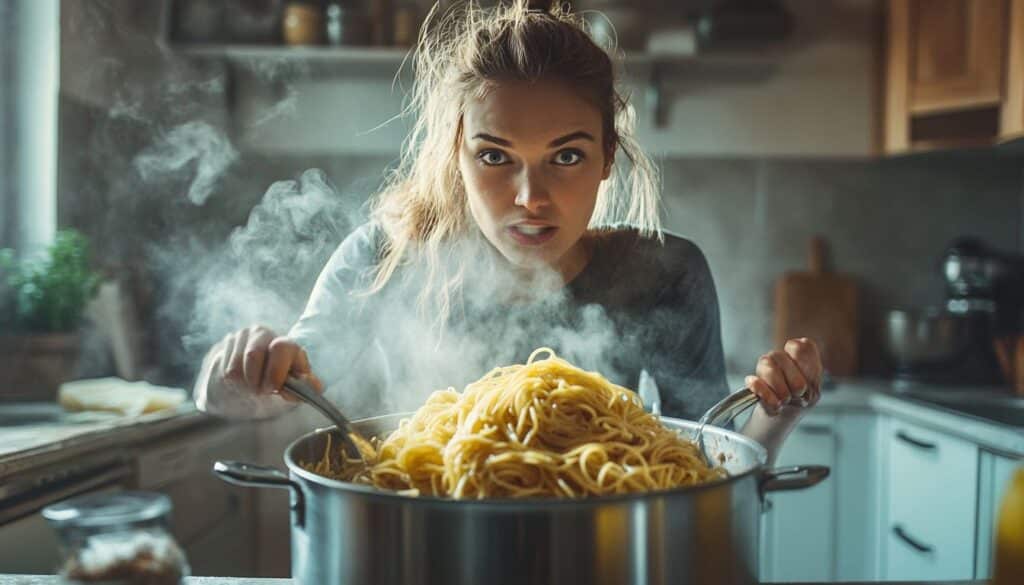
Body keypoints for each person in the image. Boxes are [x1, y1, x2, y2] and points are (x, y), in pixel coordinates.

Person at [194, 0, 823, 465]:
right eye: (495, 157)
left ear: (608, 157)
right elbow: (242, 394)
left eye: (567, 156)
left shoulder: (666, 272)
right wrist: (240, 375)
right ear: (456, 156)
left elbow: (707, 459)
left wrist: (777, 412)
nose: (531, 198)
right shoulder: (382, 255)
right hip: (419, 544)